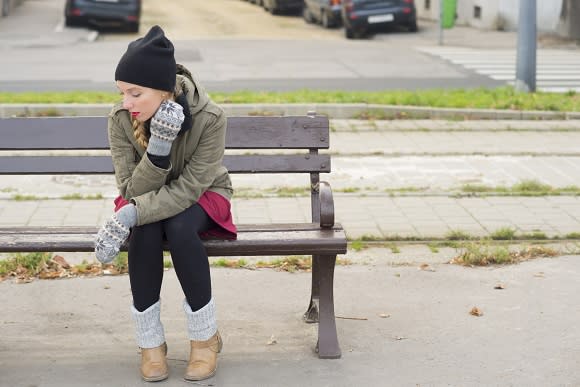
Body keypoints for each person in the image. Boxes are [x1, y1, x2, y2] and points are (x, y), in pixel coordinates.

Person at [94, 25, 236, 383]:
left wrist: (133, 211)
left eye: (135, 93)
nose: (126, 102)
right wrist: (158, 148)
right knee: (145, 228)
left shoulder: (210, 117)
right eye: (122, 92)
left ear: (164, 90)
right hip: (144, 198)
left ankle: (205, 340)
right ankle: (150, 345)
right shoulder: (121, 119)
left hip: (204, 195)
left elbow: (190, 188)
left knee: (178, 225)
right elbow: (129, 189)